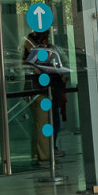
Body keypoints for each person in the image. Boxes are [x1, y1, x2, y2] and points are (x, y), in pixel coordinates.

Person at [22, 29, 68, 161]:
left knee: (42, 123)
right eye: (46, 38)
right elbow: (39, 68)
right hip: (41, 91)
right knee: (44, 123)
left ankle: (41, 152)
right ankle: (45, 154)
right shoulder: (35, 53)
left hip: (43, 90)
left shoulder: (33, 53)